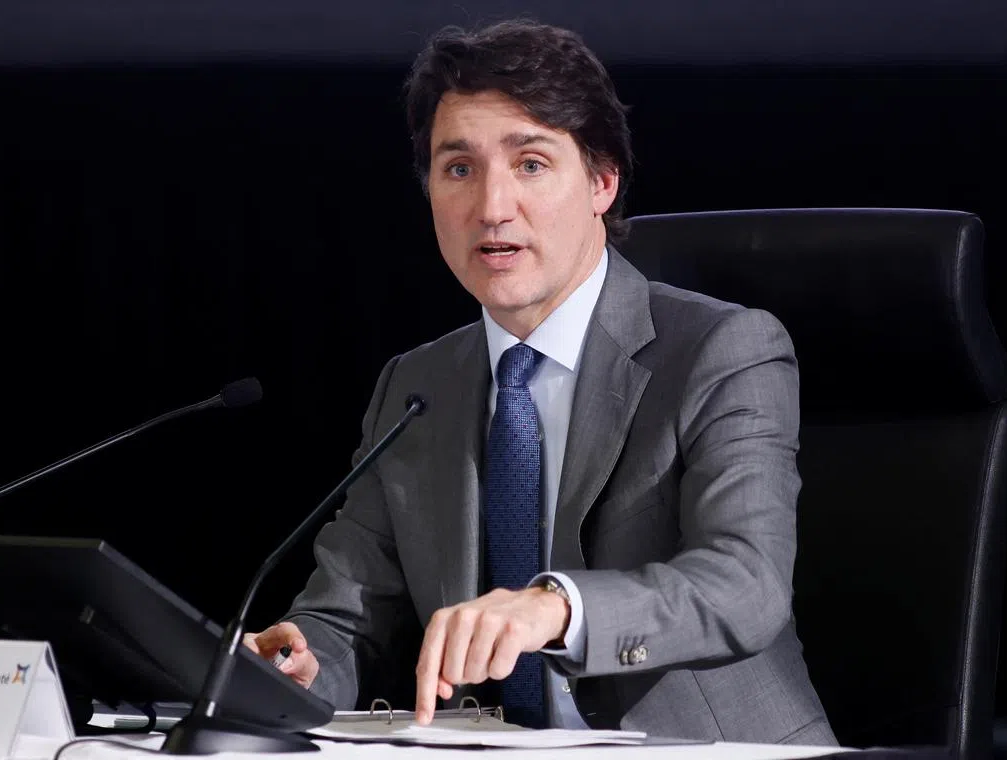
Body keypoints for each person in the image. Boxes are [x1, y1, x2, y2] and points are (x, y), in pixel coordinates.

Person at [244, 18, 836, 745]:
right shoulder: (416, 384)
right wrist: (300, 664)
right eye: (458, 169)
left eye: (530, 163)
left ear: (602, 182)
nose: (492, 208)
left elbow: (746, 584)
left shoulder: (722, 350)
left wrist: (555, 607)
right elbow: (347, 618)